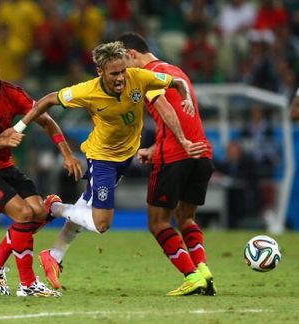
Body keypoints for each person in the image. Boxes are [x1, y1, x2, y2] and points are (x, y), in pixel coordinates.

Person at [9, 41, 204, 291]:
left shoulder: (138, 77)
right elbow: (47, 100)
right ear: (100, 72)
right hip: (103, 159)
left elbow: (177, 83)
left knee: (84, 206)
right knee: (101, 223)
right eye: (114, 74)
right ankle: (54, 207)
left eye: (123, 71)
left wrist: (186, 98)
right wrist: (19, 127)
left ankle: (54, 256)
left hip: (126, 156)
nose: (121, 78)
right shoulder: (86, 91)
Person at [0, 45, 82, 297]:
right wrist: (5, 140)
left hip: (4, 166)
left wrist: (67, 154)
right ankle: (27, 284)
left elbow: (46, 120)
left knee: (38, 212)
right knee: (24, 214)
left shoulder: (12, 93)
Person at [119, 32, 216, 296]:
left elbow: (164, 108)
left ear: (132, 55)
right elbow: (184, 118)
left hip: (176, 156)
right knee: (186, 217)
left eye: (122, 63)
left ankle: (191, 276)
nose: (121, 73)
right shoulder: (175, 70)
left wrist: (181, 142)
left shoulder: (147, 76)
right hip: (202, 154)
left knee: (158, 222)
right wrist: (154, 147)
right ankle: (203, 270)